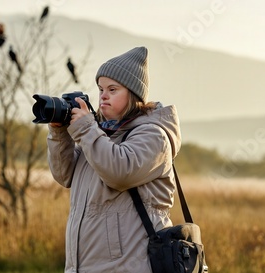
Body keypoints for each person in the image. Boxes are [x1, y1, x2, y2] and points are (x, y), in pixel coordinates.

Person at [47, 46, 181, 272]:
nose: (103, 96)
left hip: (129, 266)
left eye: (113, 89)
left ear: (134, 94)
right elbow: (64, 174)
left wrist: (86, 129)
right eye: (100, 89)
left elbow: (120, 172)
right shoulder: (99, 136)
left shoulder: (153, 135)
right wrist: (60, 132)